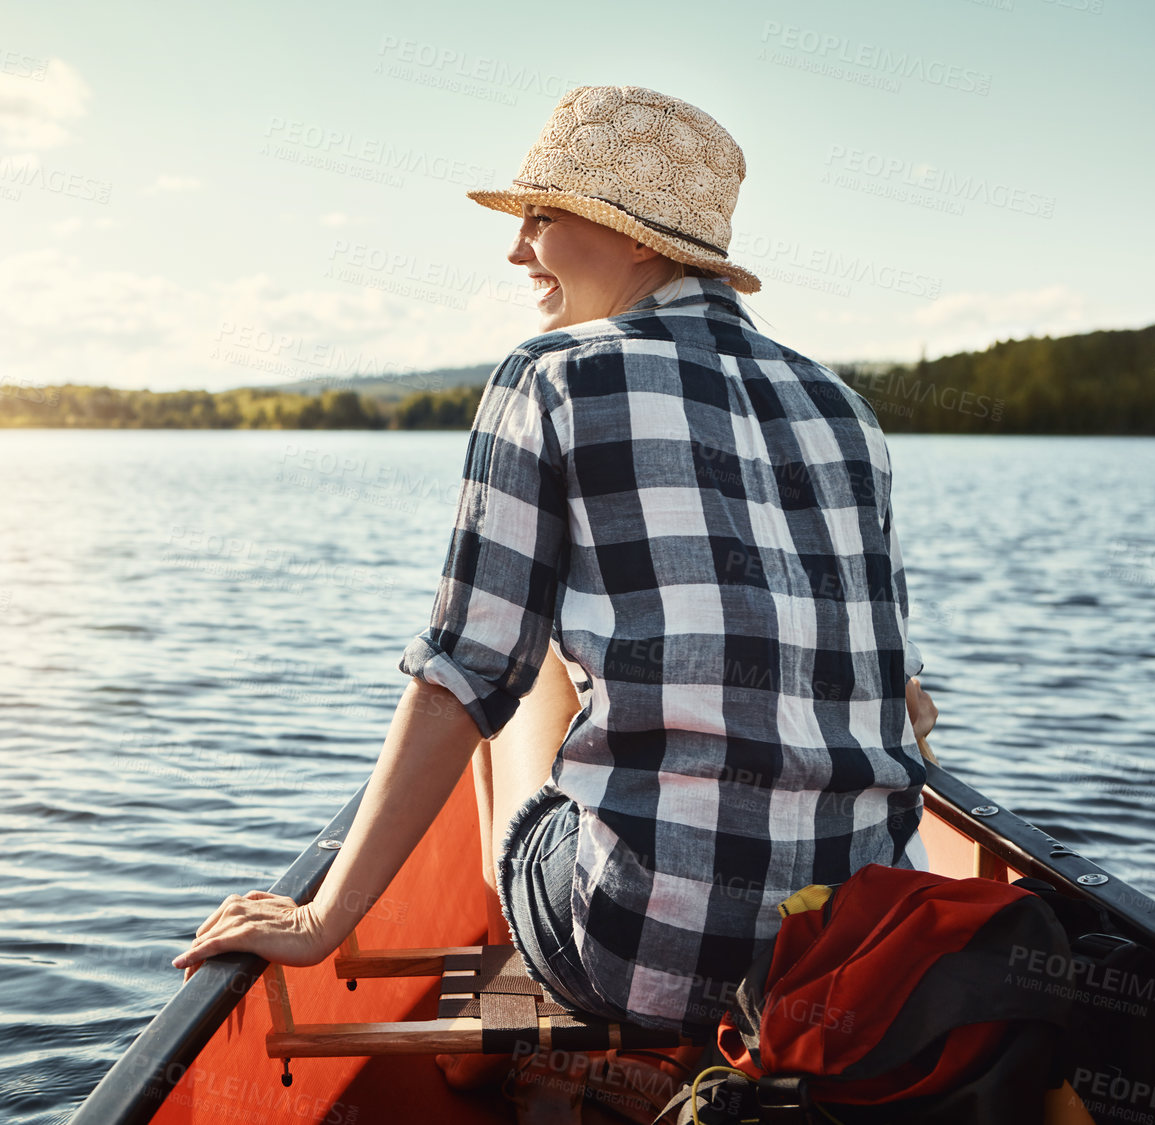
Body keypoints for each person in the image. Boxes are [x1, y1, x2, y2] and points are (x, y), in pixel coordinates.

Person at [171, 85, 939, 1111]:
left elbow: (461, 674)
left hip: (641, 953)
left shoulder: (550, 375)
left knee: (515, 646)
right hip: (844, 946)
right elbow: (906, 696)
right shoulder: (845, 407)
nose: (517, 249)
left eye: (541, 216)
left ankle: (525, 948)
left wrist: (324, 922)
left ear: (631, 239)